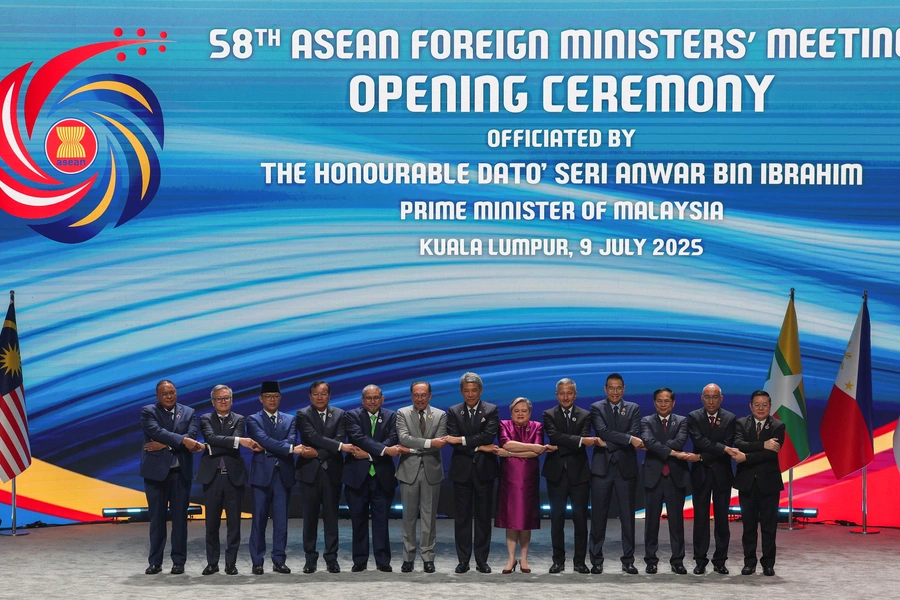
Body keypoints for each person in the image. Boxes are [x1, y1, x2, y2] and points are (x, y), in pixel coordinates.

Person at [140, 379, 204, 575]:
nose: (169, 397)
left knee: (180, 521)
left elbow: (191, 437)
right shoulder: (148, 411)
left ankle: (179, 562)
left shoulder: (189, 412)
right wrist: (181, 440)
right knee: (157, 520)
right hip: (155, 475)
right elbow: (155, 431)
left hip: (180, 474)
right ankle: (155, 562)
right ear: (157, 396)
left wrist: (165, 445)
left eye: (172, 393)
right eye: (165, 394)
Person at [197, 384, 262, 575]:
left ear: (231, 400)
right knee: (212, 523)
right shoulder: (205, 418)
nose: (223, 401)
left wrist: (210, 447)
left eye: (226, 398)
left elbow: (228, 445)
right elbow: (212, 437)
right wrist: (236, 441)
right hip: (212, 477)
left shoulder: (240, 419)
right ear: (213, 401)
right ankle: (212, 563)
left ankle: (230, 563)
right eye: (219, 399)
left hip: (234, 477)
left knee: (234, 523)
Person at [296, 380, 356, 574]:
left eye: (323, 394)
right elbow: (312, 436)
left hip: (332, 472)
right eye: (316, 394)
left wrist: (318, 453)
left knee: (332, 518)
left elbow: (339, 440)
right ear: (309, 396)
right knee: (310, 519)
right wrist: (334, 448)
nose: (319, 397)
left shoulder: (340, 414)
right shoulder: (302, 414)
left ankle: (332, 558)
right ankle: (310, 559)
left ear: (329, 396)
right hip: (309, 473)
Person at [342, 384, 402, 572]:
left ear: (382, 399)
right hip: (356, 477)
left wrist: (369, 456)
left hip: (382, 477)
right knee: (358, 520)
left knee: (381, 520)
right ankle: (359, 560)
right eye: (369, 398)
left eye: (376, 397)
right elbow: (358, 438)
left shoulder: (392, 416)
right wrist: (384, 451)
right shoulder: (351, 416)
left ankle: (383, 560)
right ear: (362, 400)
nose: (373, 401)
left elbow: (392, 439)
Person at [542, 377, 598, 574]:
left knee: (580, 519)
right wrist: (579, 441)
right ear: (557, 395)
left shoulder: (585, 414)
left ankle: (580, 562)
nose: (566, 397)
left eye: (569, 393)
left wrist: (563, 444)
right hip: (556, 473)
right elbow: (555, 436)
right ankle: (558, 561)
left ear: (575, 394)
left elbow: (565, 440)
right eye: (562, 393)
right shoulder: (548, 414)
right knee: (556, 519)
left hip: (579, 474)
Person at [445, 371, 500, 573]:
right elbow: (452, 441)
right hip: (462, 471)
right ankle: (463, 560)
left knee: (484, 518)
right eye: (466, 391)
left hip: (485, 470)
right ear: (461, 391)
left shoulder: (491, 410)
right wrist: (478, 445)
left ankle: (481, 560)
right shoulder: (453, 411)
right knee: (462, 518)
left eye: (474, 390)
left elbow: (488, 435)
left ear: (480, 391)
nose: (470, 394)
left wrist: (464, 440)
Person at [640, 387, 698, 575]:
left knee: (676, 522)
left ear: (673, 403)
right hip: (653, 476)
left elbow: (679, 441)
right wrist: (670, 452)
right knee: (651, 523)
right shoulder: (646, 421)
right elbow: (647, 440)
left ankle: (677, 560)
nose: (663, 404)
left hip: (676, 476)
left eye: (667, 401)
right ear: (654, 402)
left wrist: (655, 446)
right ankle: (650, 560)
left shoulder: (682, 421)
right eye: (659, 401)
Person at [589, 373, 643, 574]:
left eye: (618, 388)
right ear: (605, 389)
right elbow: (601, 431)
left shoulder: (633, 408)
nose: (615, 391)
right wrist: (628, 440)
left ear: (624, 389)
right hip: (601, 469)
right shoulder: (596, 407)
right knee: (598, 517)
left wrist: (615, 441)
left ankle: (628, 560)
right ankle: (596, 561)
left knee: (628, 518)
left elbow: (635, 433)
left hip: (625, 469)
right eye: (611, 388)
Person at [728, 390, 785, 577]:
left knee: (769, 527)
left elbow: (771, 454)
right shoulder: (740, 423)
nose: (761, 408)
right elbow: (738, 443)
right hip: (747, 483)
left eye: (764, 405)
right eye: (757, 405)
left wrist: (746, 457)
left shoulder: (778, 425)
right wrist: (762, 445)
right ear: (750, 406)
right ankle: (749, 563)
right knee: (749, 527)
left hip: (769, 483)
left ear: (770, 406)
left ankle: (768, 564)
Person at [246, 380, 301, 575]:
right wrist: (286, 449)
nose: (272, 400)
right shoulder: (252, 419)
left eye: (275, 397)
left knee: (281, 522)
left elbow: (291, 440)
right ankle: (257, 561)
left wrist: (272, 448)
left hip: (282, 475)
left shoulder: (290, 419)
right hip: (261, 476)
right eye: (268, 397)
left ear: (280, 398)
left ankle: (279, 560)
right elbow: (262, 439)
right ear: (261, 399)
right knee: (259, 520)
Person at [495, 397, 552, 574]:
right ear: (511, 413)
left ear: (530, 412)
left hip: (528, 478)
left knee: (525, 520)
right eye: (516, 411)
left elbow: (536, 451)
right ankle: (511, 558)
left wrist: (510, 453)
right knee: (511, 520)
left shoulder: (537, 426)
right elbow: (507, 443)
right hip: (509, 478)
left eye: (524, 411)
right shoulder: (504, 424)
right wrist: (528, 449)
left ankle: (524, 559)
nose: (520, 414)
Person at [395, 381, 447, 573]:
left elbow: (440, 442)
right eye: (416, 395)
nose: (420, 398)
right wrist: (428, 443)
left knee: (429, 518)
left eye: (423, 395)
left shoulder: (441, 415)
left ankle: (428, 557)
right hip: (408, 471)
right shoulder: (402, 413)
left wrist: (415, 447)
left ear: (430, 396)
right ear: (411, 396)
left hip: (432, 471)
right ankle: (408, 557)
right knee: (408, 517)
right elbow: (403, 438)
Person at [687, 383, 737, 575]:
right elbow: (699, 441)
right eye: (707, 397)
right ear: (702, 398)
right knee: (700, 520)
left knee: (722, 520)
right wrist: (721, 449)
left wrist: (702, 456)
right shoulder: (694, 417)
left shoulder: (730, 418)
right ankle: (700, 560)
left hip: (722, 474)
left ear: (721, 399)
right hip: (700, 474)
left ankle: (720, 560)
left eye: (714, 397)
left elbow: (728, 445)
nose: (711, 400)